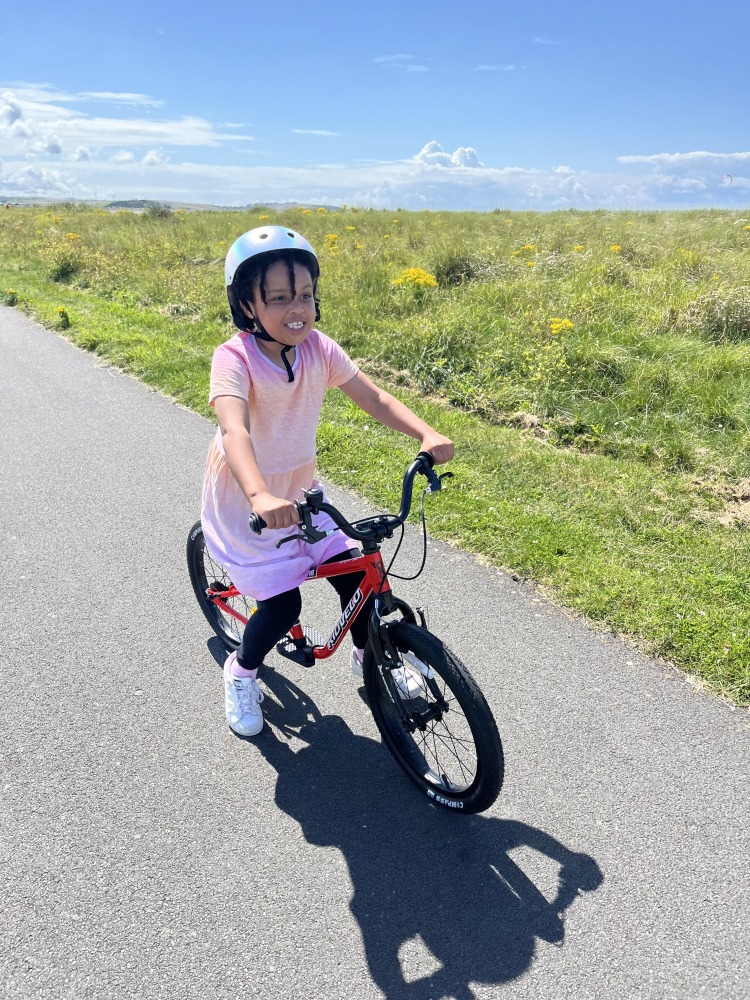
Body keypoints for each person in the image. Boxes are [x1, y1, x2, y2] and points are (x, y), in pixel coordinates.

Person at [202, 225, 453, 736]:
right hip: (247, 500)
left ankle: (370, 655)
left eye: (306, 295)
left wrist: (425, 431)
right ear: (247, 305)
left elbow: (374, 397)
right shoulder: (234, 359)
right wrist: (260, 494)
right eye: (278, 297)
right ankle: (242, 670)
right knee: (281, 604)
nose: (297, 308)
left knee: (357, 575)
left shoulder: (319, 348)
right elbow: (234, 429)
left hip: (297, 492)